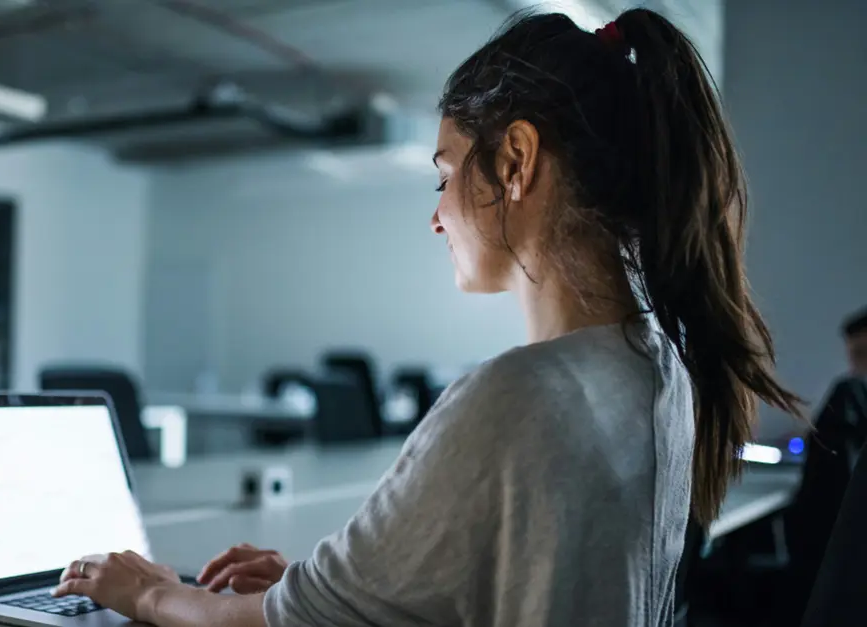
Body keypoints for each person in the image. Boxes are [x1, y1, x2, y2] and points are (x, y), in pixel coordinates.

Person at [53, 8, 802, 626]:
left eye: (445, 174)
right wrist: (351, 586)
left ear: (515, 160)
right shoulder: (657, 365)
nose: (437, 217)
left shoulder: (520, 397)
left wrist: (146, 589)